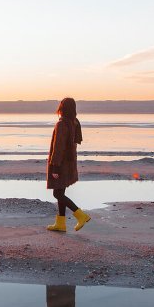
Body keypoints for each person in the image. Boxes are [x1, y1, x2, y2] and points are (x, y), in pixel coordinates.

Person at [46, 97, 91, 232]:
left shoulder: (62, 124)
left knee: (57, 194)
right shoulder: (75, 122)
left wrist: (55, 167)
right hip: (70, 163)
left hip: (61, 163)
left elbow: (58, 147)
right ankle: (60, 224)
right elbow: (76, 142)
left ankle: (81, 215)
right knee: (60, 192)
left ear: (62, 108)